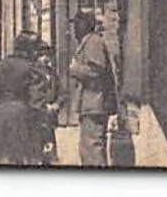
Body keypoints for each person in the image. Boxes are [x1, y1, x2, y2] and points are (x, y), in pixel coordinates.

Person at [0, 32, 45, 166]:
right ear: (29, 50)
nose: (37, 53)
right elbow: (36, 101)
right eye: (35, 50)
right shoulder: (32, 68)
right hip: (22, 118)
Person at [69, 11, 118, 167]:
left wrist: (75, 69)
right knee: (89, 148)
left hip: (94, 104)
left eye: (76, 25)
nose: (74, 30)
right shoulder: (89, 41)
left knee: (92, 148)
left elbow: (96, 71)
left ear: (84, 26)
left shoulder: (93, 42)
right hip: (91, 104)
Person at [32, 40, 60, 166]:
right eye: (41, 55)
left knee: (50, 145)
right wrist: (42, 106)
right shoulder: (32, 74)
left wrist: (57, 105)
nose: (45, 58)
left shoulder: (52, 74)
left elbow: (61, 92)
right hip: (37, 114)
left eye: (47, 55)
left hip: (50, 116)